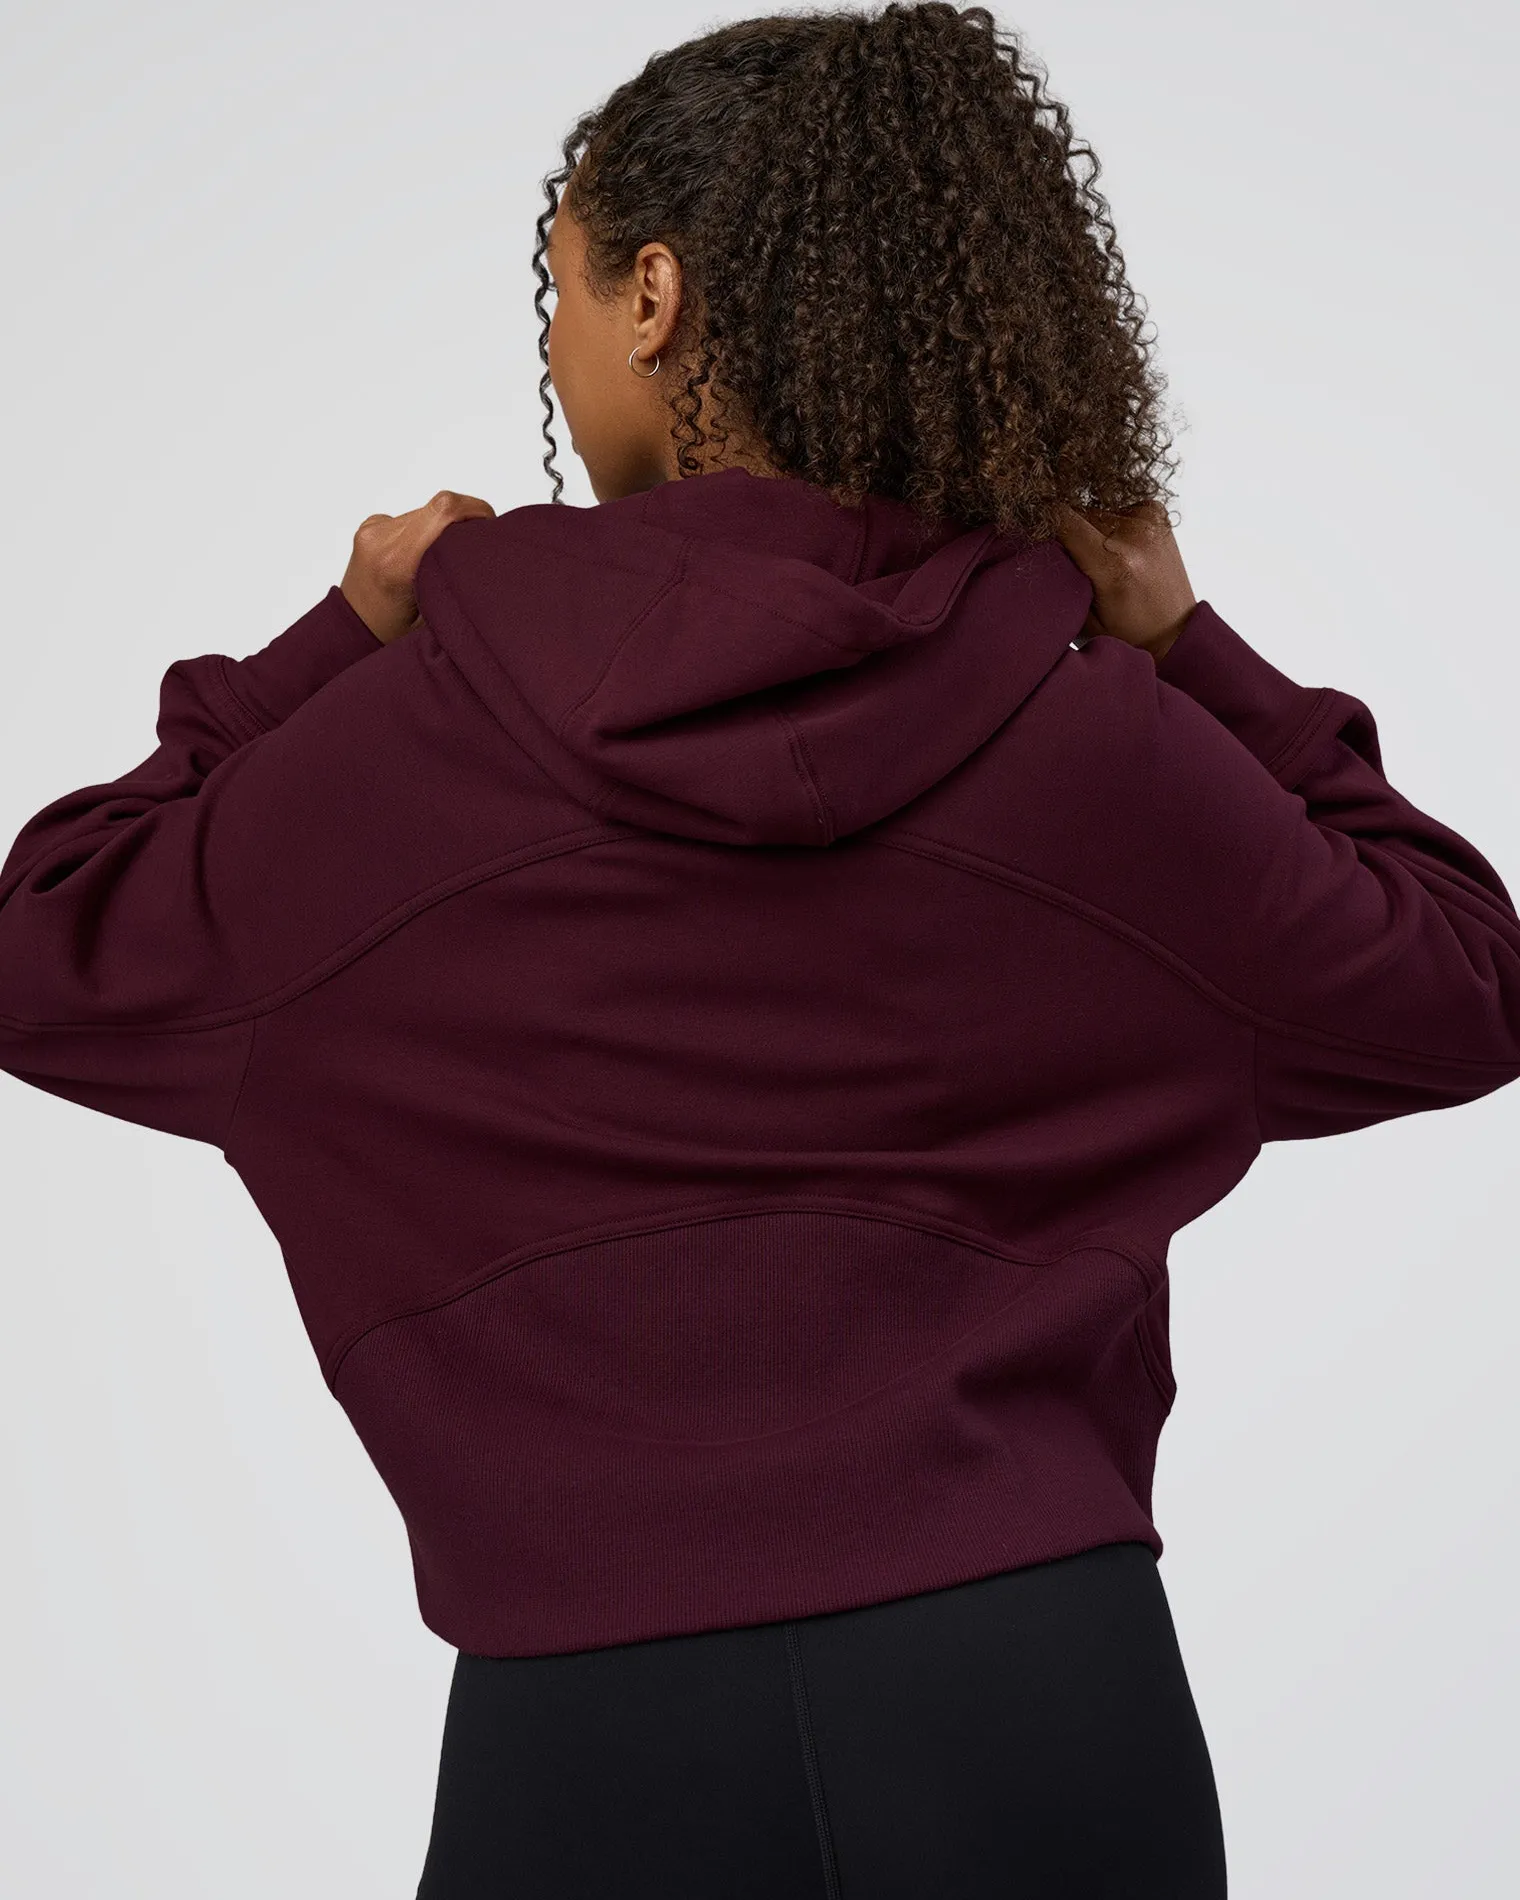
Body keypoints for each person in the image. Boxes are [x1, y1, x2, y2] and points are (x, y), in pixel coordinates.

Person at [2, 5, 1516, 1896]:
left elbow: (47, 940)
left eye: (557, 286)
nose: (552, 347)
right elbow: (1463, 979)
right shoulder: (1094, 743)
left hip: (589, 1736)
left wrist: (335, 640)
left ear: (653, 297)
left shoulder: (401, 752)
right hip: (1038, 1700)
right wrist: (1190, 651)